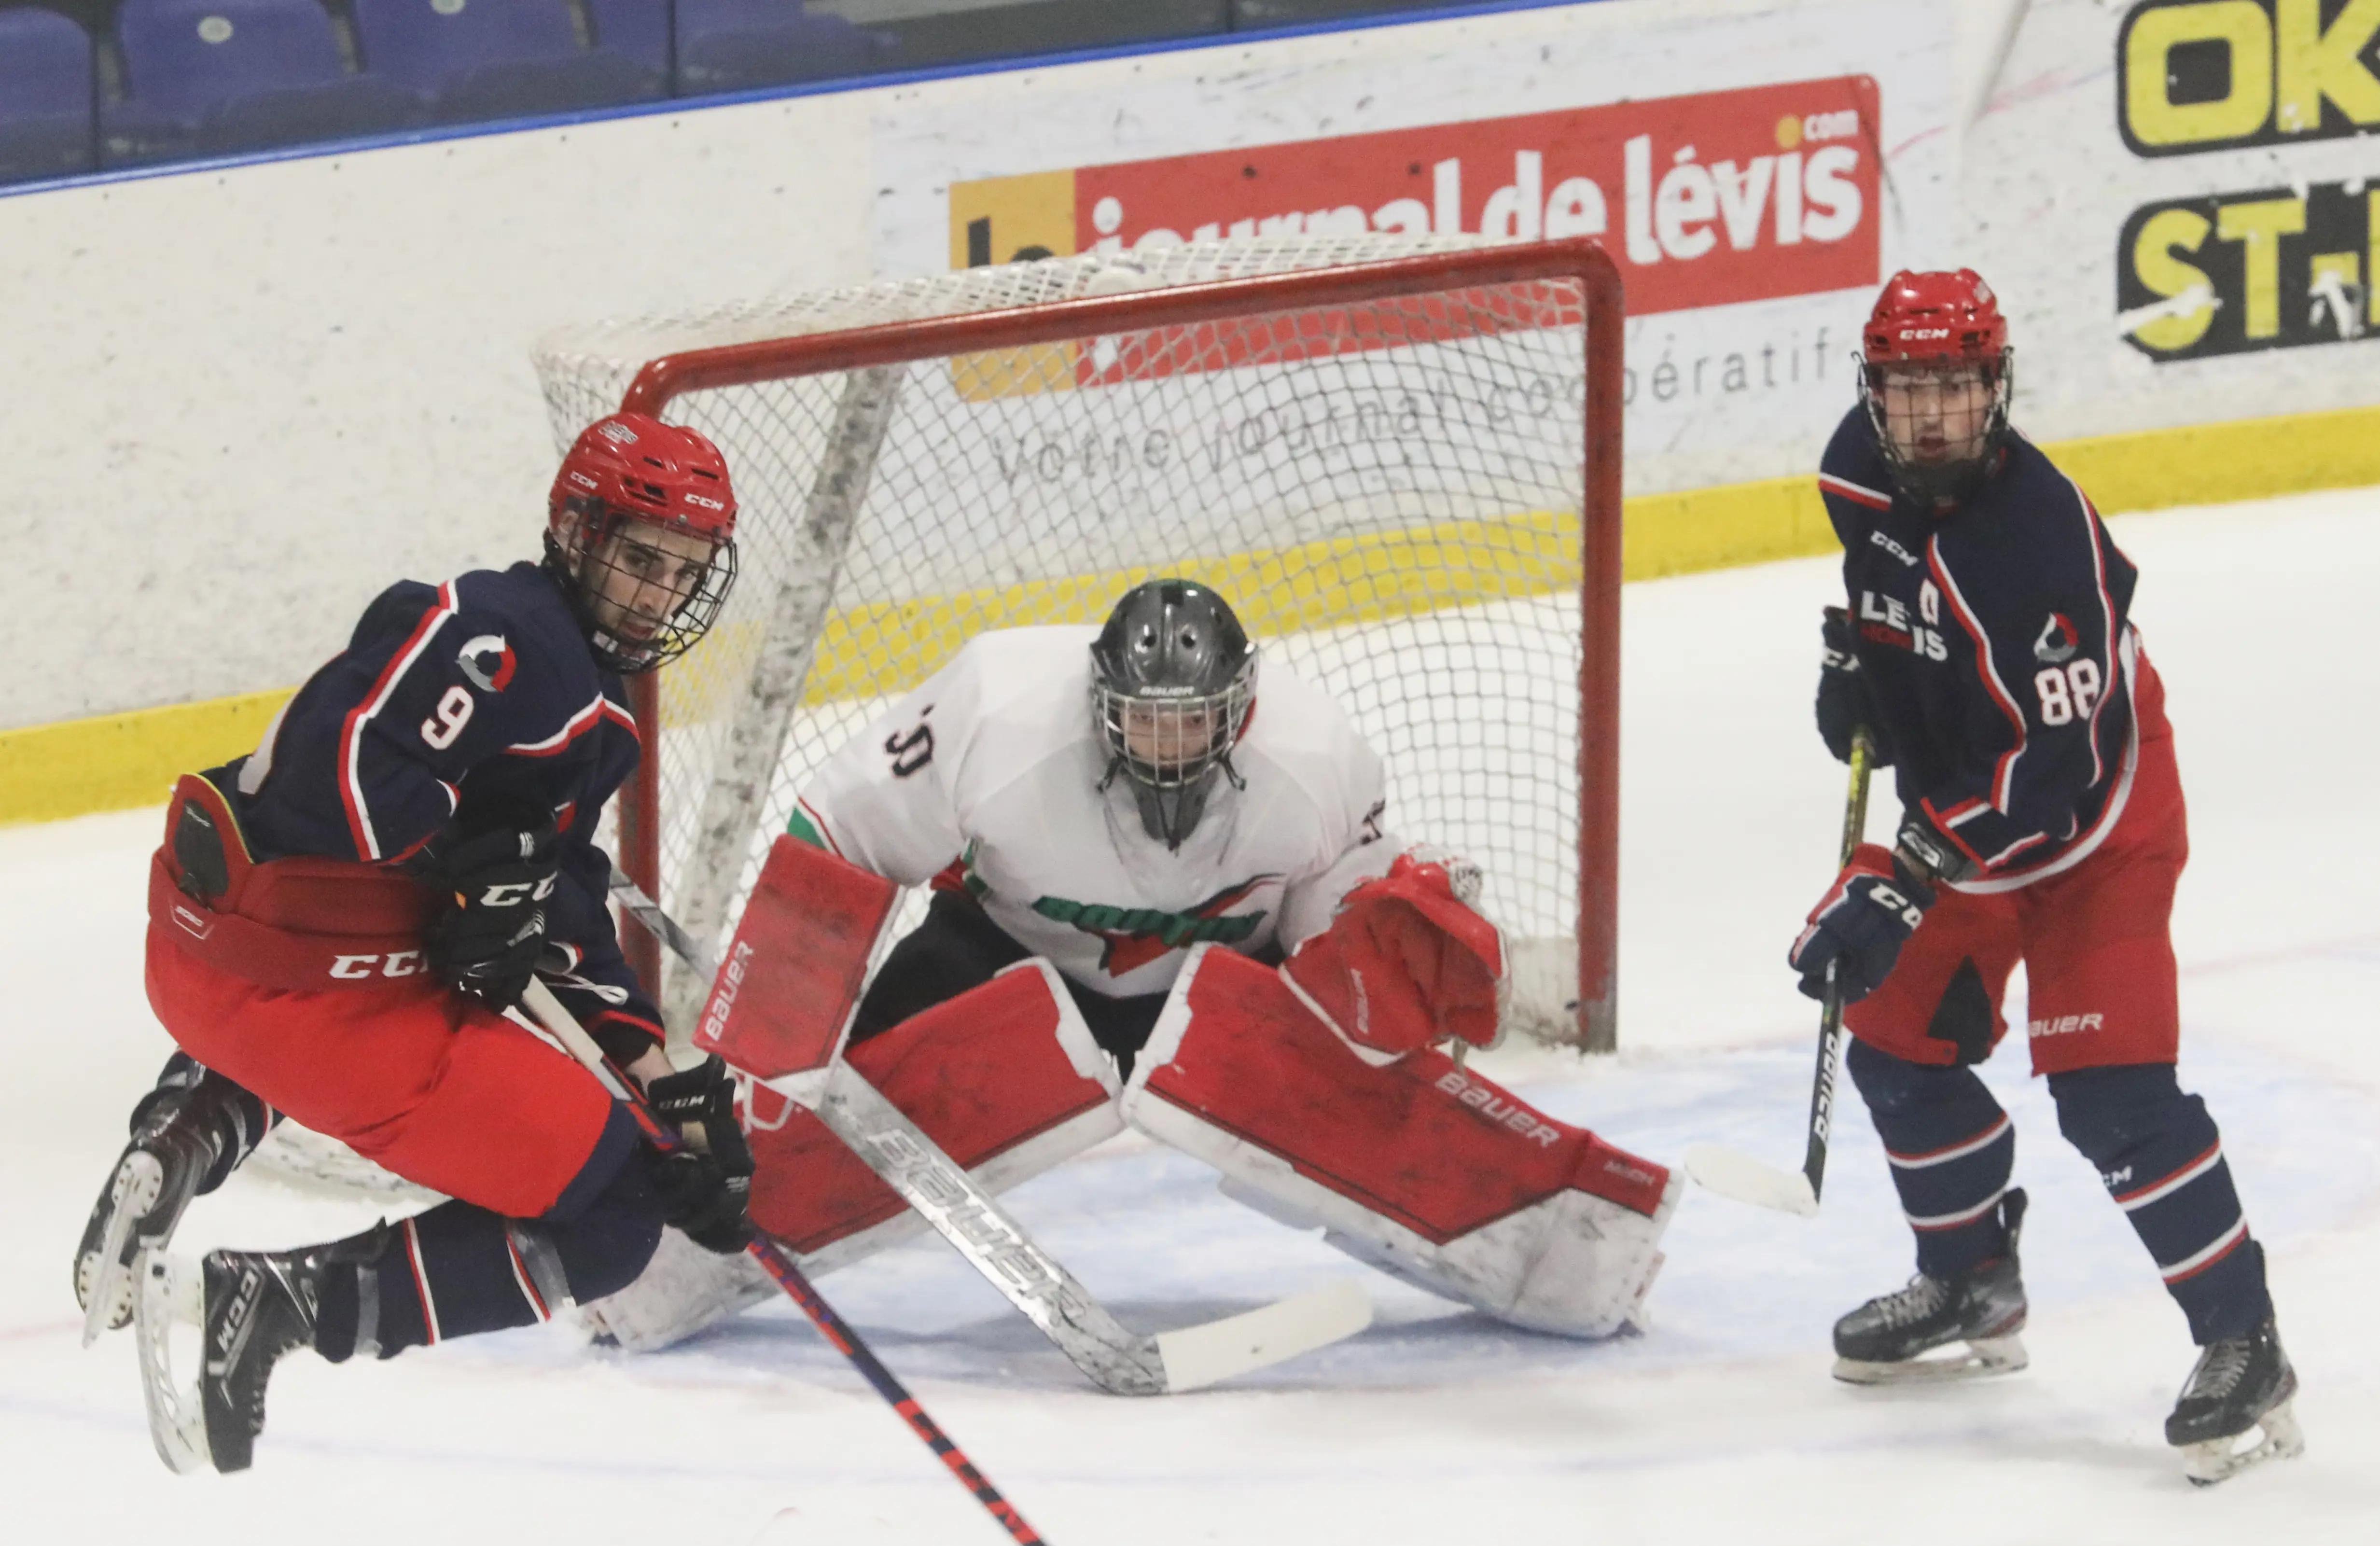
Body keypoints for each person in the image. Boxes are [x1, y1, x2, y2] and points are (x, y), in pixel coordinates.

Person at [591, 578, 1676, 1352]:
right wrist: (771, 1048)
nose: (1170, 743)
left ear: (1239, 707)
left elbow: (1330, 921)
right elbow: (844, 836)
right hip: (1000, 951)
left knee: (1360, 1100)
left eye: (1195, 719)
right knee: (836, 1124)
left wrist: (1373, 956)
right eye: (1146, 722)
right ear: (1100, 698)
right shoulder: (998, 709)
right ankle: (645, 1266)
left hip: (1219, 996)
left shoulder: (1315, 755)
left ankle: (1569, 1252)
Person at [76, 414, 757, 1473]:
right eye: (638, 558)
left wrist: (658, 1075)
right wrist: (471, 859)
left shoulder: (590, 706)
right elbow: (339, 767)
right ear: (575, 532)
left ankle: (188, 1126)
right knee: (617, 1215)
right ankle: (279, 1303)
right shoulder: (504, 631)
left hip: (213, 976)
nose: (656, 595)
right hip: (310, 1003)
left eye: (681, 571)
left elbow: (560, 903)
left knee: (469, 989)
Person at [1790, 268, 2299, 1484]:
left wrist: (1899, 880)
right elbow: (1903, 607)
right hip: (1971, 804)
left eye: (1955, 391)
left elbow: (2046, 779)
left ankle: (2247, 1342)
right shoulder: (1853, 471)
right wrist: (1871, 682)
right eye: (1910, 390)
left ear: (1996, 389)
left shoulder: (2037, 546)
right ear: (1874, 390)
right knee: (1892, 1045)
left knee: (2114, 1098)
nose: (1930, 421)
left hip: (2096, 830)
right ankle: (1971, 1283)